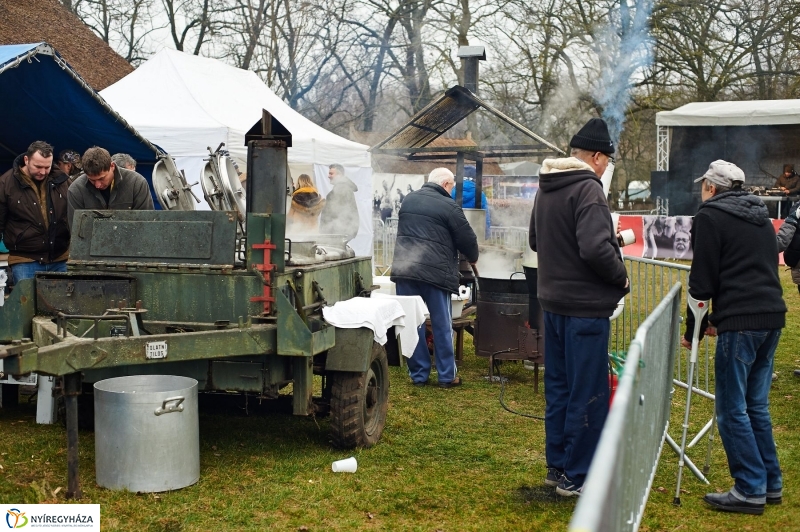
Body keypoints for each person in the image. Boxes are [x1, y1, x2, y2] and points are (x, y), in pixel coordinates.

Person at [528, 117, 629, 497]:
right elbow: (593, 248)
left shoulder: (547, 186)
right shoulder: (588, 188)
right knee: (587, 391)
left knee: (559, 388)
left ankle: (558, 467)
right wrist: (619, 277)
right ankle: (580, 476)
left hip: (551, 303)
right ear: (598, 158)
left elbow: (536, 241)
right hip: (584, 309)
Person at [681, 160, 785, 515]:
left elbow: (702, 281)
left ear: (711, 187)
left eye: (703, 186)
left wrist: (693, 329)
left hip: (742, 322)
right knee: (755, 405)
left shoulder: (709, 216)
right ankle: (770, 483)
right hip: (771, 316)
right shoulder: (760, 216)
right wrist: (718, 318)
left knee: (731, 409)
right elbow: (752, 268)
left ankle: (750, 487)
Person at [391, 167, 478, 388]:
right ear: (447, 184)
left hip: (406, 270)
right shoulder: (448, 205)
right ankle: (447, 376)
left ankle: (419, 374)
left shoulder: (409, 199)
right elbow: (467, 237)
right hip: (435, 273)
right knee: (441, 324)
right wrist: (473, 257)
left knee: (413, 323)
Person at [0, 141, 70, 282]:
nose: (43, 172)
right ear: (26, 160)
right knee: (28, 303)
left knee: (63, 304)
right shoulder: (6, 183)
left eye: (47, 167)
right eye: (38, 166)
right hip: (25, 259)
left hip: (61, 258)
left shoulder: (63, 180)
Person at [68, 146, 154, 229]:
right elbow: (77, 231)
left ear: (112, 166)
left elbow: (146, 223)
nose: (97, 185)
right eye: (92, 180)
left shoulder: (136, 183)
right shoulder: (76, 190)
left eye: (101, 178)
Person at [319, 163, 359, 241]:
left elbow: (339, 214)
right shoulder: (340, 188)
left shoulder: (343, 190)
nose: (328, 176)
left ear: (339, 175)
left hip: (337, 234)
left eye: (331, 173)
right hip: (336, 233)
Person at [450, 164, 490, 239]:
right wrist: (486, 234)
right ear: (475, 178)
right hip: (475, 235)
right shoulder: (480, 194)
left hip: (455, 236)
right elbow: (486, 215)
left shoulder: (452, 192)